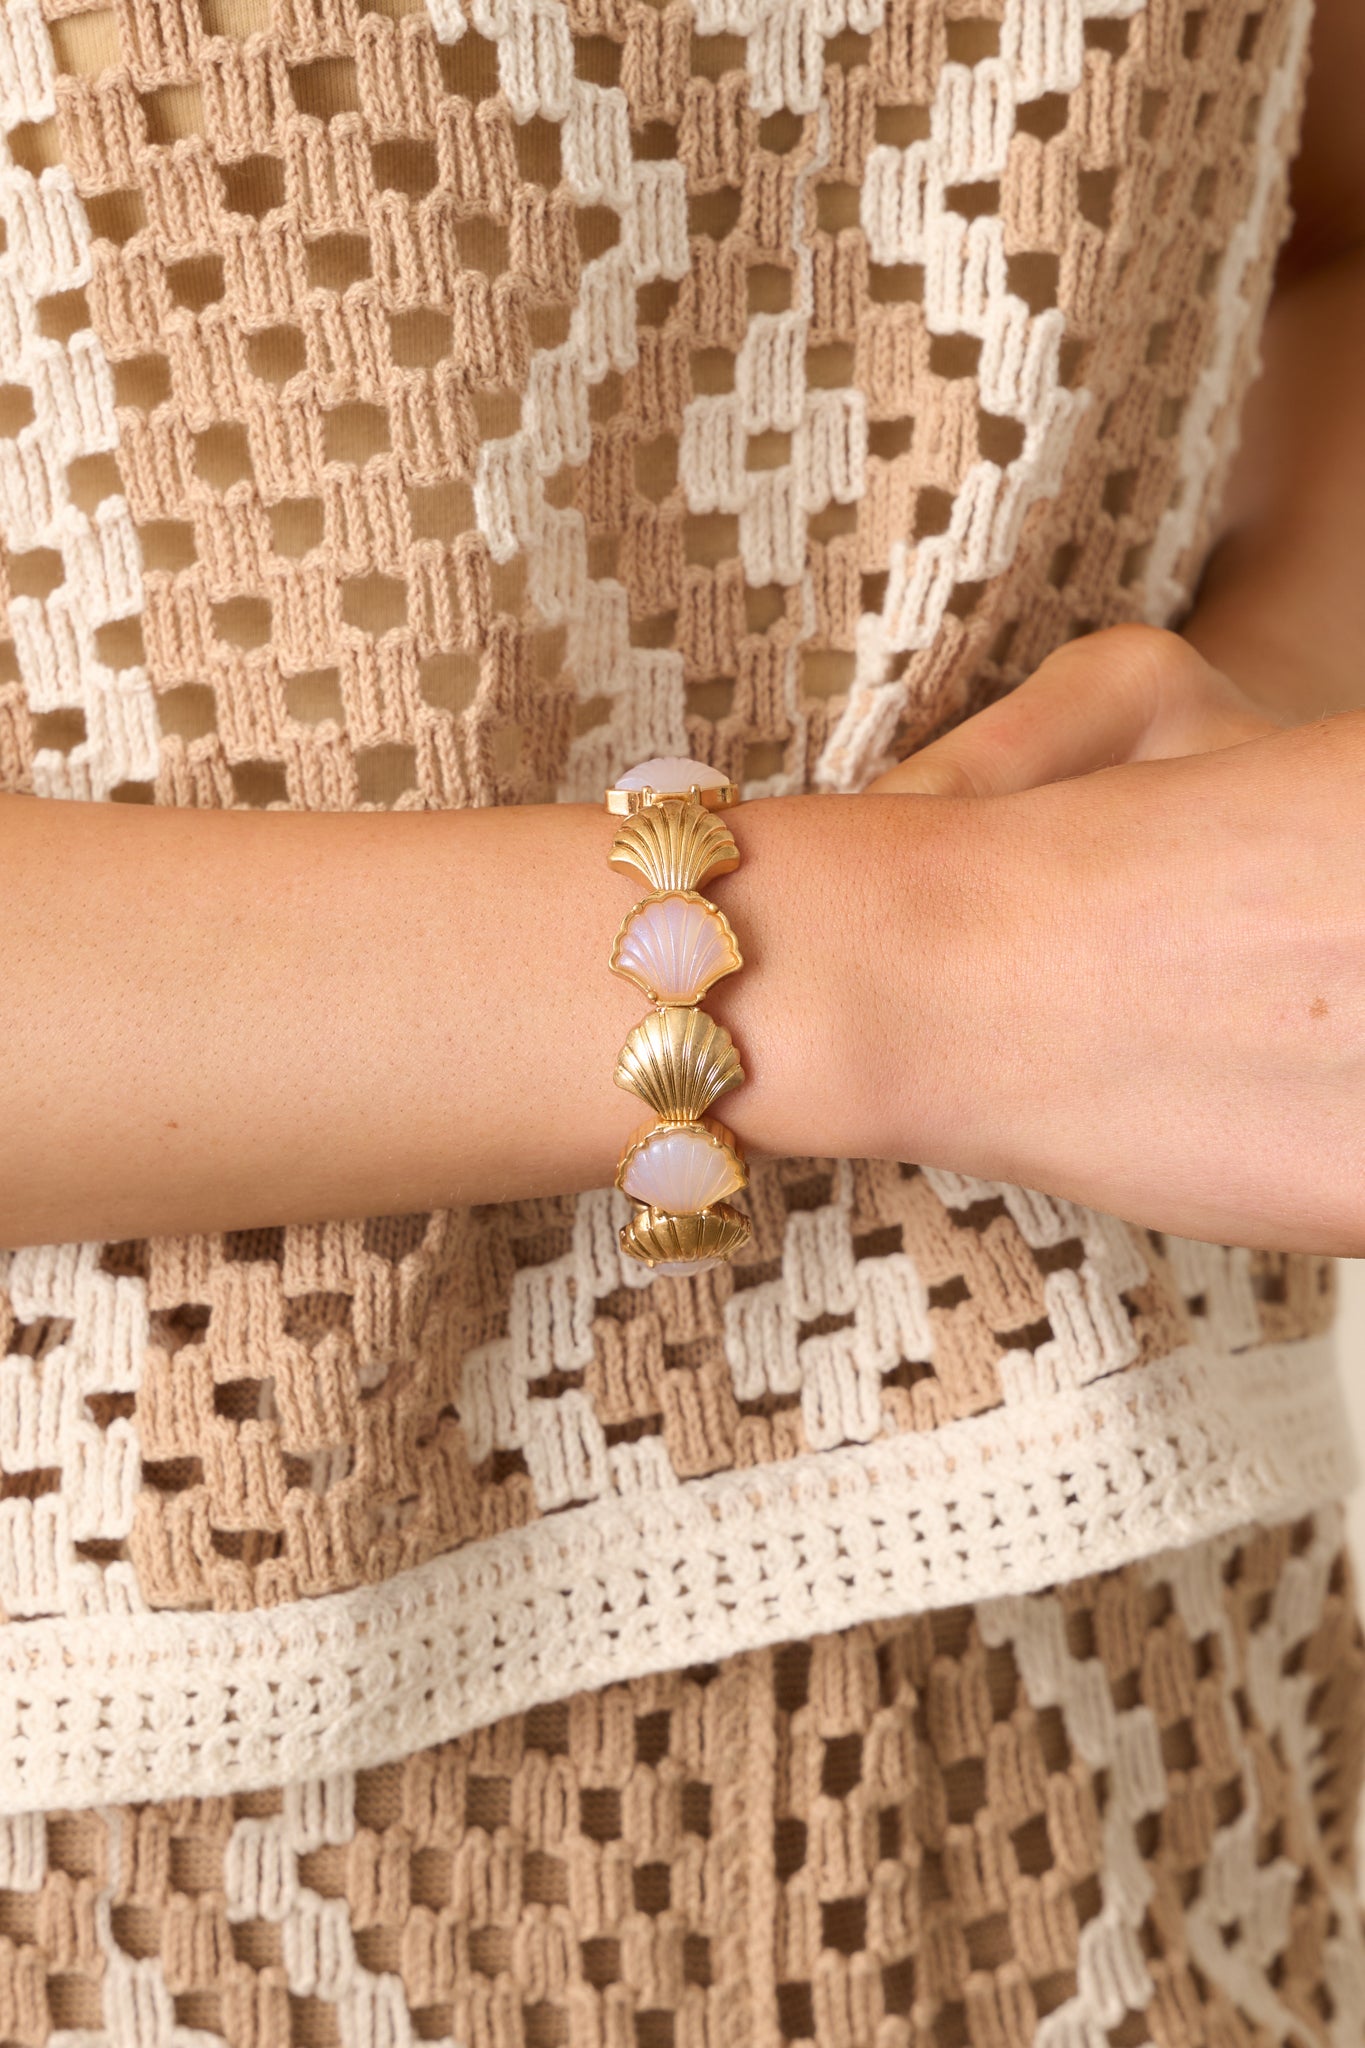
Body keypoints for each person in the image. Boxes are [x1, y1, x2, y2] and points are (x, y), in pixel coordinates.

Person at [1, 0, 1363, 2038]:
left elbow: (1322, 240)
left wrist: (1251, 731)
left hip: (1124, 1706)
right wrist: (930, 960)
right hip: (115, 1807)